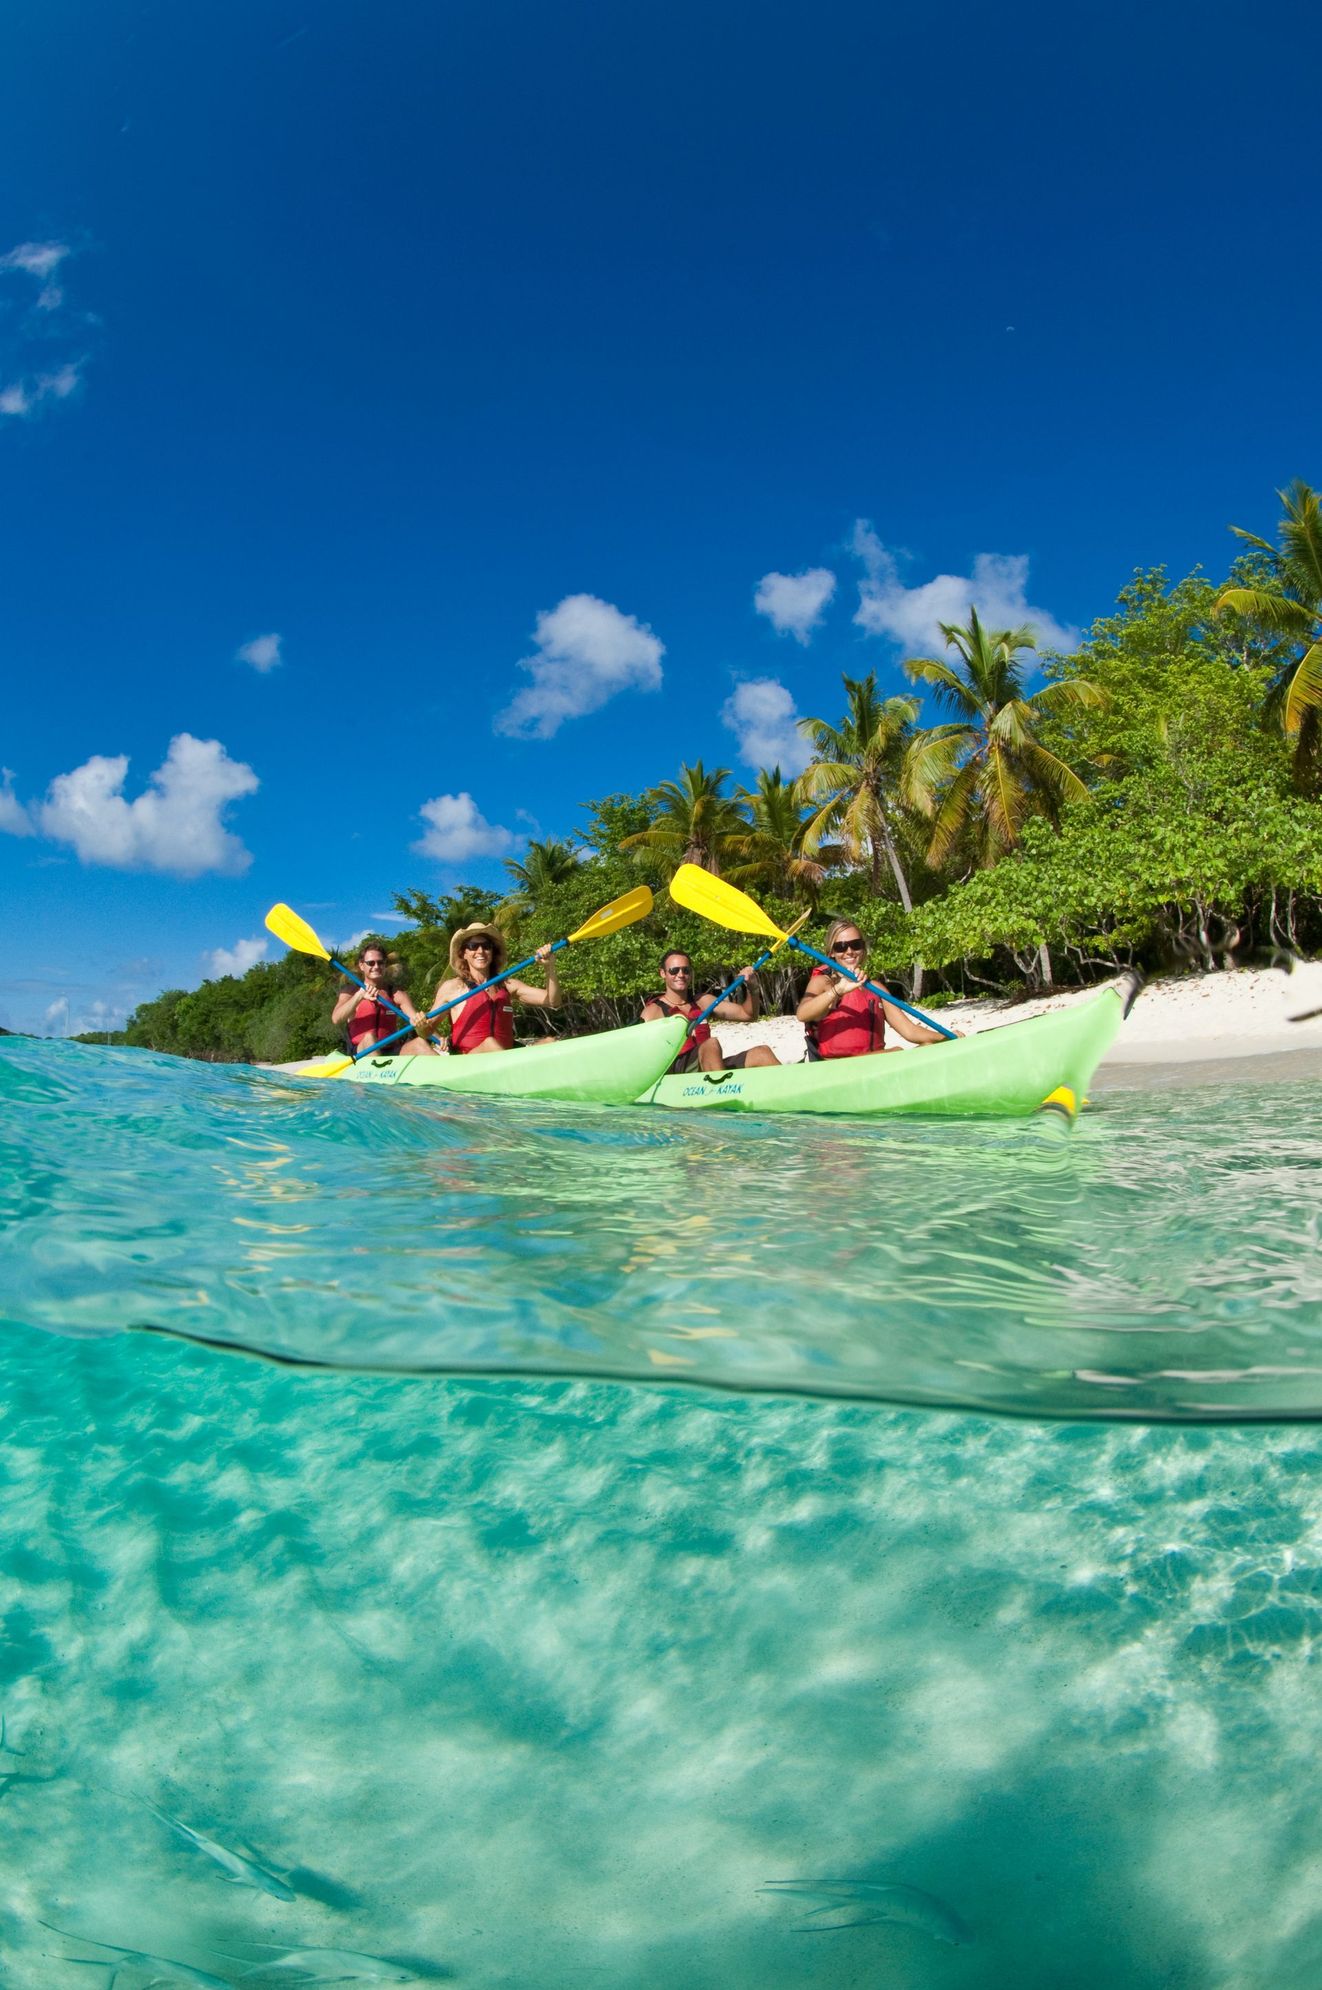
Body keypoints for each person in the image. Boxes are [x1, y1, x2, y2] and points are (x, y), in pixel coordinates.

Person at [796, 919, 956, 1057]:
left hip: (875, 1064)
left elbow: (910, 1031)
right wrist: (838, 990)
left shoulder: (875, 988)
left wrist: (945, 1037)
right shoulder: (823, 983)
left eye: (855, 945)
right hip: (837, 1067)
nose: (849, 951)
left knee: (928, 1046)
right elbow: (802, 1014)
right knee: (897, 1052)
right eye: (841, 947)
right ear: (831, 952)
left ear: (863, 948)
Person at [407, 922, 560, 1055]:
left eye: (486, 946)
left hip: (507, 1055)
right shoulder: (453, 988)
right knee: (490, 1044)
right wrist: (421, 1026)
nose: (480, 951)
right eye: (473, 946)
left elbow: (553, 1001)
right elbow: (426, 1031)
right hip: (469, 1059)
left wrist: (550, 967)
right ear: (464, 953)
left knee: (550, 1042)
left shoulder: (507, 985)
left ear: (492, 952)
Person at [641, 948, 780, 1074]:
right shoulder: (653, 1011)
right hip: (678, 1074)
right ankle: (722, 1095)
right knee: (710, 1045)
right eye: (674, 970)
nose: (681, 974)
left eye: (686, 970)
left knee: (762, 1053)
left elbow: (748, 1015)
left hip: (709, 1063)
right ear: (662, 973)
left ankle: (794, 1093)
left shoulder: (703, 1001)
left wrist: (753, 988)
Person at [331, 944, 424, 1056]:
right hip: (361, 1050)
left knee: (420, 1043)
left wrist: (439, 1038)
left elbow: (417, 1020)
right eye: (371, 963)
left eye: (380, 962)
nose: (376, 966)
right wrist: (359, 995)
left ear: (385, 965)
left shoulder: (397, 994)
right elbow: (336, 1018)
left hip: (392, 1050)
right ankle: (378, 1067)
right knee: (370, 1038)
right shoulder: (350, 992)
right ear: (361, 965)